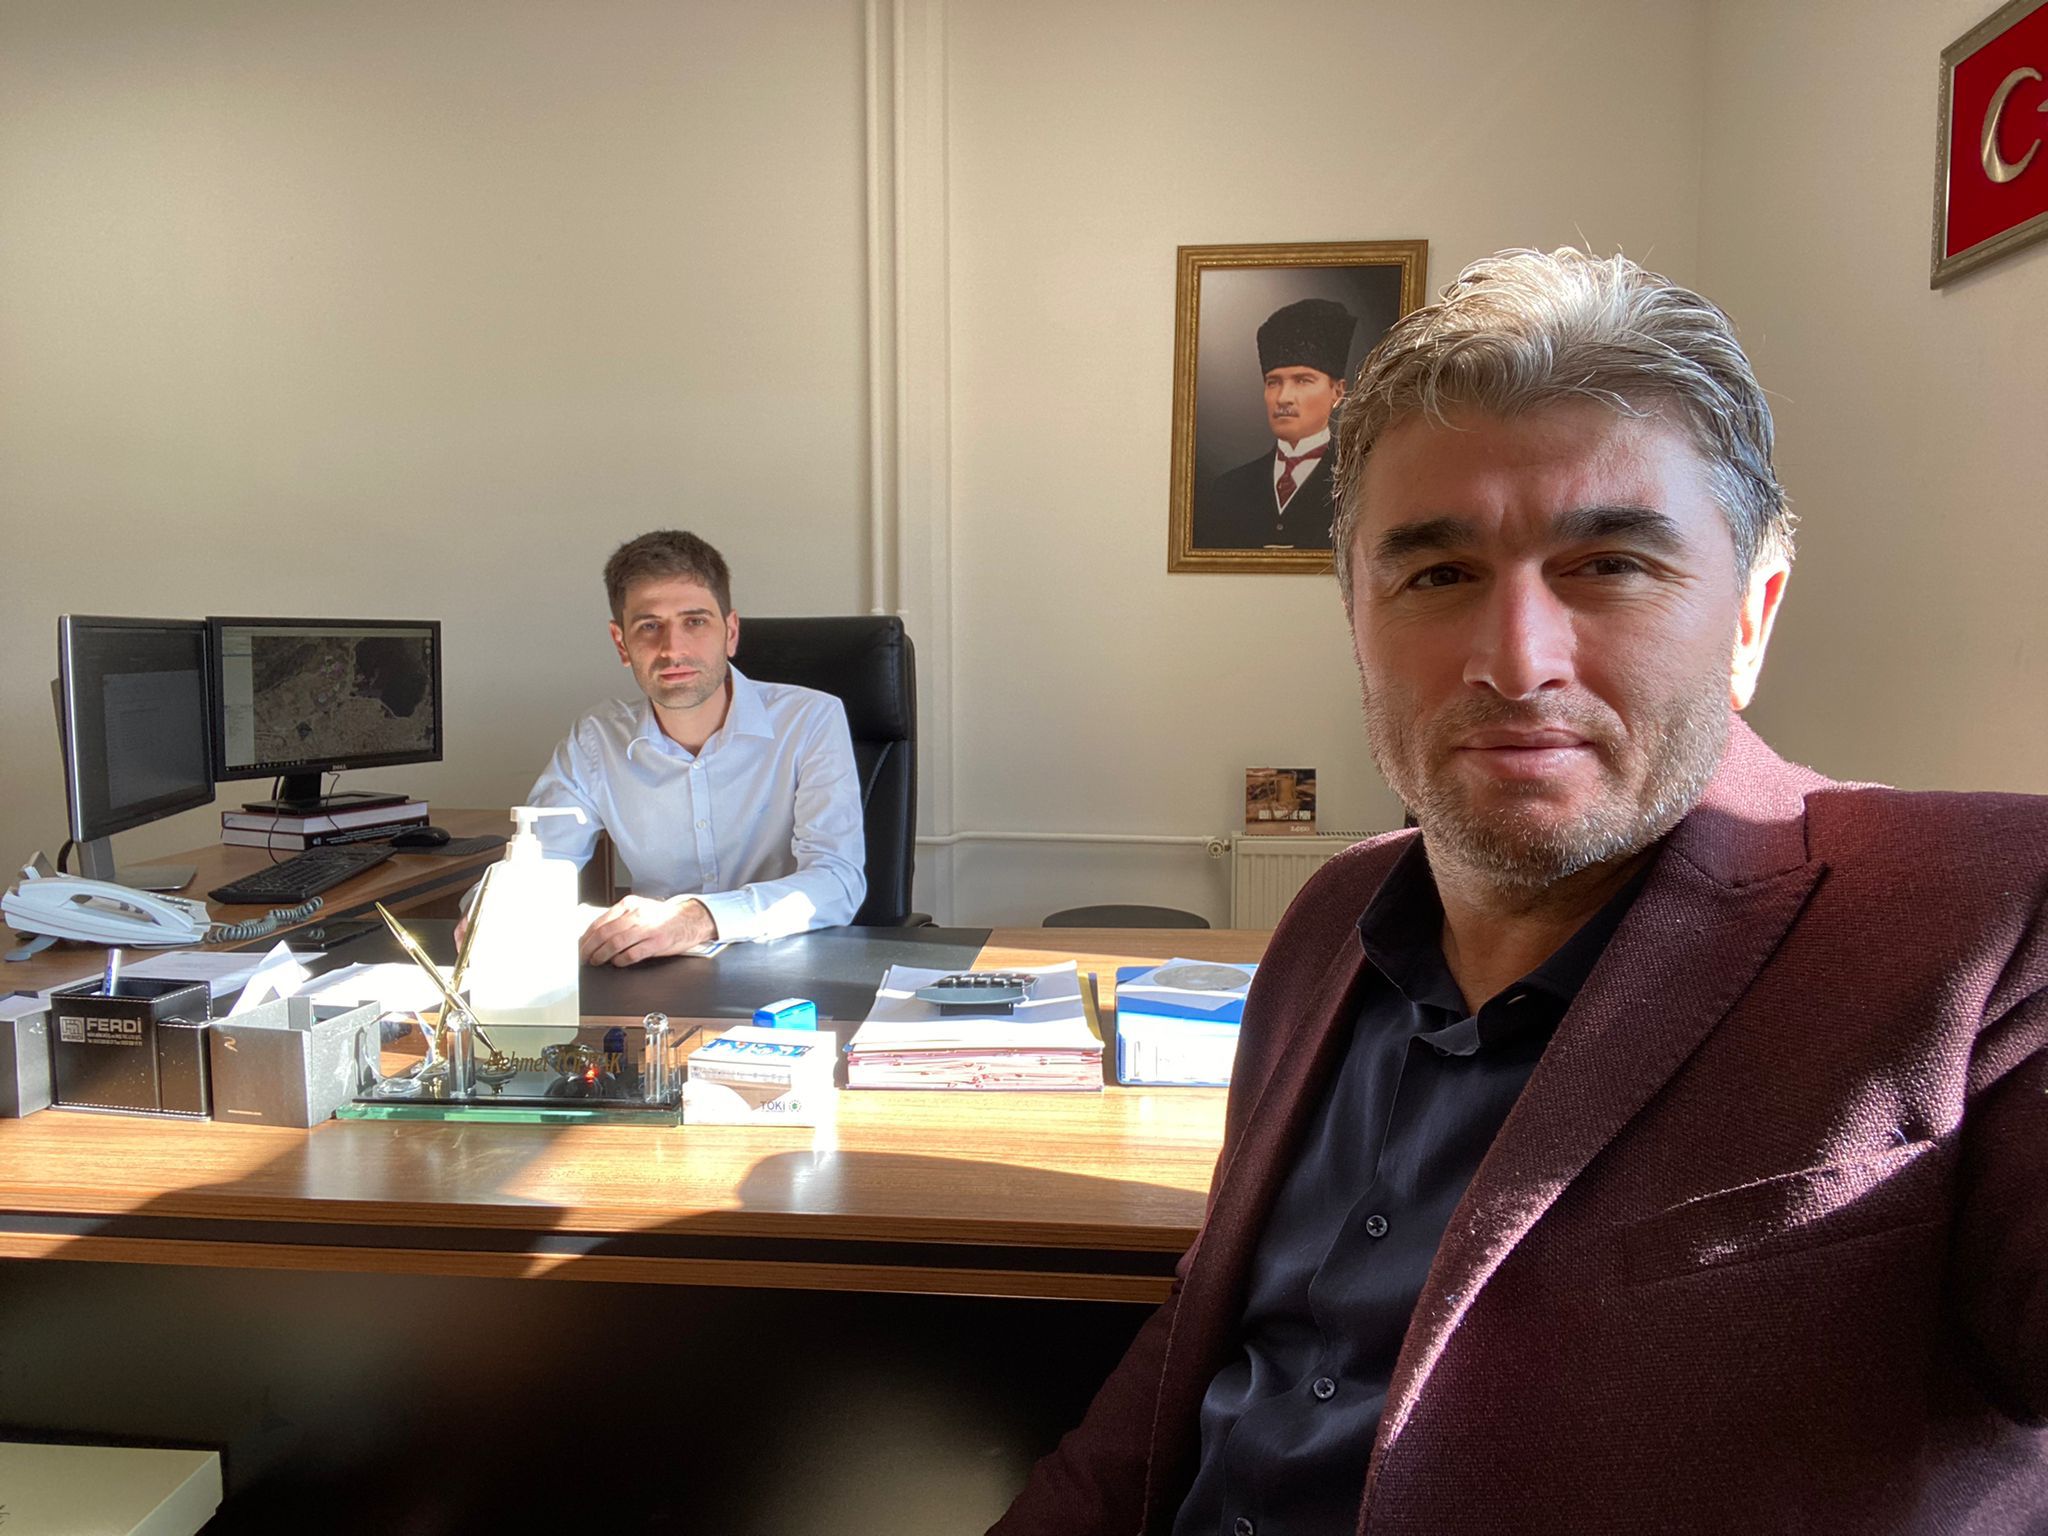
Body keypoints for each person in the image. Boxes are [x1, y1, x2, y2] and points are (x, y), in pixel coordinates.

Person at [994, 250, 2048, 1533]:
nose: (1514, 661)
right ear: (1355, 618)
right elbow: (1207, 1352)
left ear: (1749, 617)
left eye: (1608, 565)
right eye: (1436, 575)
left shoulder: (1990, 921)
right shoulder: (1329, 920)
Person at [499, 529, 866, 965]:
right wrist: (499, 912)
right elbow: (540, 861)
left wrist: (696, 918)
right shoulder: (597, 740)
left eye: (695, 622)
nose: (672, 649)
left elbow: (837, 881)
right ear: (621, 643)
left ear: (731, 633)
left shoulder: (809, 720)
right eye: (649, 626)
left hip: (791, 965)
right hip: (654, 973)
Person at [1192, 297, 1356, 551]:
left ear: (1337, 392)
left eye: (1302, 380)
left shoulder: (1359, 484)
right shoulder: (1229, 489)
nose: (1283, 398)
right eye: (1273, 382)